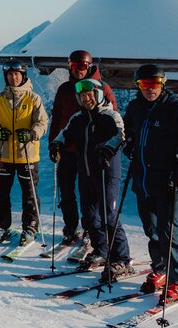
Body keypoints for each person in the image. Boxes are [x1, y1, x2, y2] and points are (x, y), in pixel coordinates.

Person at [124, 64, 178, 301]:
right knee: (151, 229)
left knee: (168, 231)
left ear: (163, 84)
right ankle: (160, 269)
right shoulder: (135, 107)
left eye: (154, 84)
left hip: (170, 181)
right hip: (143, 179)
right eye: (144, 84)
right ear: (138, 86)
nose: (149, 89)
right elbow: (129, 131)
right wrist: (129, 145)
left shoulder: (175, 108)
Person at [50, 79, 131, 277]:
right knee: (89, 216)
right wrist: (57, 145)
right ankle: (101, 250)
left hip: (106, 172)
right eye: (82, 96)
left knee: (109, 216)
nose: (86, 99)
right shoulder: (78, 118)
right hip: (85, 173)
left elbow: (121, 136)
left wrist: (107, 149)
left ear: (99, 95)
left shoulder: (110, 116)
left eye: (90, 95)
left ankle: (121, 258)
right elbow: (64, 134)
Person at [50, 50, 119, 245]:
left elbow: (112, 118)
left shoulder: (102, 88)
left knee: (91, 193)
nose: (78, 70)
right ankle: (70, 225)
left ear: (89, 66)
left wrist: (107, 147)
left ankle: (91, 227)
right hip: (67, 149)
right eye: (74, 66)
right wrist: (53, 143)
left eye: (82, 66)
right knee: (66, 190)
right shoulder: (64, 89)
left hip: (90, 151)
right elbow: (57, 117)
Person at [0, 59, 49, 246]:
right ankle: (2, 226)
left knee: (29, 193)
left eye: (17, 74)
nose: (13, 78)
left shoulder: (33, 98)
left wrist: (31, 133)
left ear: (23, 76)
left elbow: (42, 122)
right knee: (1, 193)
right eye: (10, 75)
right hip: (3, 153)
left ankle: (30, 226)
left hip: (26, 154)